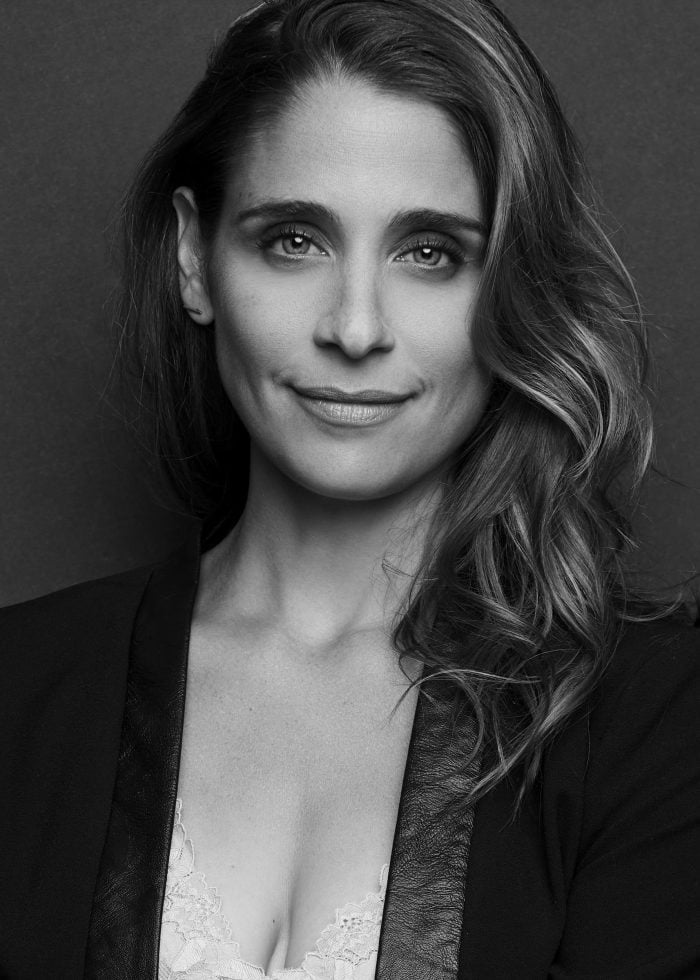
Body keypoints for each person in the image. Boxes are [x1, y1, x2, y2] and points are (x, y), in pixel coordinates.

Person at [1, 0, 699, 977]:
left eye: (430, 253)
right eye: (295, 239)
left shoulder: (656, 715)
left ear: (512, 287)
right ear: (195, 258)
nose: (356, 327)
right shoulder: (22, 687)